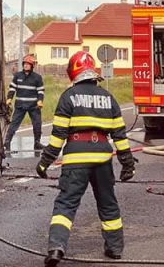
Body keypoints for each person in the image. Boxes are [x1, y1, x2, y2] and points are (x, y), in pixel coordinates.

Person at [36, 51, 135, 266]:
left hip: (76, 159)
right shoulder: (108, 98)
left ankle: (56, 248)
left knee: (66, 204)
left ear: (73, 72)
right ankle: (115, 249)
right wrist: (127, 164)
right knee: (108, 204)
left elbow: (58, 136)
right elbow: (120, 135)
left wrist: (44, 162)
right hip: (102, 159)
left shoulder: (68, 97)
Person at [4, 54, 45, 151]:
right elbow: (12, 88)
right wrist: (9, 98)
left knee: (37, 124)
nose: (26, 65)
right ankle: (7, 142)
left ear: (32, 66)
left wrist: (40, 100)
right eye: (24, 64)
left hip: (33, 106)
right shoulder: (17, 76)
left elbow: (40, 91)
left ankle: (37, 143)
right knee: (14, 124)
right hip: (20, 105)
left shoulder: (37, 78)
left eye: (28, 64)